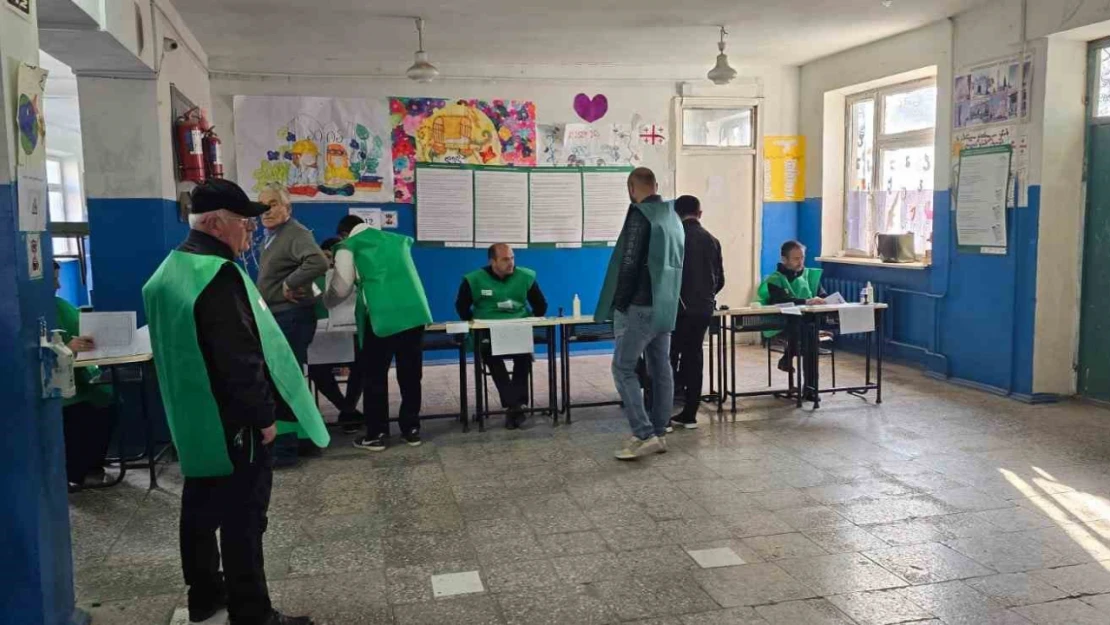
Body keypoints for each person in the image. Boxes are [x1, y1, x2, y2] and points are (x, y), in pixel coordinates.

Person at [142, 179, 329, 625]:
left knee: (202, 504)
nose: (249, 230)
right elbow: (239, 356)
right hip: (234, 420)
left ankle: (206, 595)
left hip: (193, 415)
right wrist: (263, 416)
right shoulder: (218, 275)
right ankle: (253, 612)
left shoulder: (170, 269)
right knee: (244, 516)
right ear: (212, 223)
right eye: (241, 222)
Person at [595, 167, 684, 460]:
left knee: (623, 368)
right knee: (661, 368)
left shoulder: (639, 215)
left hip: (640, 306)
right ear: (655, 185)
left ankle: (644, 433)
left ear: (631, 188)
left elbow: (629, 262)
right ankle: (660, 430)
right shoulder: (672, 216)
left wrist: (619, 303)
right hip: (665, 304)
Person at [325, 223, 433, 452]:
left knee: (374, 377)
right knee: (411, 374)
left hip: (382, 316)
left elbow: (342, 287)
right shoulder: (397, 239)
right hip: (415, 312)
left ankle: (377, 434)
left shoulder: (348, 245)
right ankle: (411, 429)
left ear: (344, 233)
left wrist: (326, 300)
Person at [256, 183, 328, 465]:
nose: (266, 210)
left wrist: (290, 282)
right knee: (291, 381)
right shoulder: (272, 237)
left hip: (292, 315)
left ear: (287, 207)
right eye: (262, 205)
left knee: (283, 382)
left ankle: (285, 450)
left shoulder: (295, 232)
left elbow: (317, 261)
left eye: (273, 203)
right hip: (278, 315)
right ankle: (304, 440)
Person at [455, 243, 548, 429]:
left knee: (523, 357)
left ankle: (515, 406)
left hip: (517, 330)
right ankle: (515, 406)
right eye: (505, 259)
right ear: (493, 261)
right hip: (488, 332)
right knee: (491, 357)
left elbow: (541, 305)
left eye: (512, 258)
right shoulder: (474, 279)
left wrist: (526, 320)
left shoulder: (526, 276)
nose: (511, 262)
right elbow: (461, 307)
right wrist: (476, 323)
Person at [53, 261, 117, 490]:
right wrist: (69, 347)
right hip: (60, 388)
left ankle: (92, 466)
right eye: (53, 279)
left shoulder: (62, 306)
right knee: (83, 413)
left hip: (81, 378)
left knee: (109, 402)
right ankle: (76, 472)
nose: (58, 284)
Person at [668, 195, 725, 430]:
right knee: (694, 358)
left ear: (675, 214)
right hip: (703, 310)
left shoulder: (674, 238)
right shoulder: (713, 240)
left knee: (668, 358)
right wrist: (706, 299)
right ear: (699, 213)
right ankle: (690, 413)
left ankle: (663, 414)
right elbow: (720, 279)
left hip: (677, 310)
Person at [757, 240, 827, 395]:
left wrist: (822, 299)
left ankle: (809, 386)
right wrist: (807, 301)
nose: (800, 262)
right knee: (807, 336)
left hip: (807, 323)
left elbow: (822, 294)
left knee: (808, 335)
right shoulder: (775, 280)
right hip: (782, 324)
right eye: (796, 259)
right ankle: (810, 388)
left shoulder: (810, 275)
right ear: (784, 259)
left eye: (802, 257)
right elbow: (781, 300)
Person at [309, 237, 363, 433]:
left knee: (362, 365)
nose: (330, 262)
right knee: (317, 371)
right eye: (326, 257)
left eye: (334, 258)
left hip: (349, 334)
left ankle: (348, 410)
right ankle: (347, 410)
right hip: (321, 338)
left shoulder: (352, 277)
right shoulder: (310, 279)